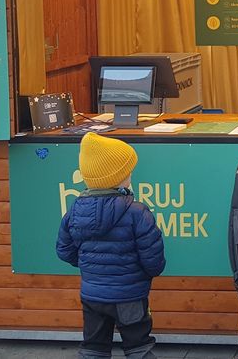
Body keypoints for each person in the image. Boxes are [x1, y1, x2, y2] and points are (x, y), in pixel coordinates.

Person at [56, 133, 165, 359]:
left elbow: (64, 251)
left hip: (93, 296)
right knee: (138, 348)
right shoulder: (137, 212)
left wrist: (90, 265)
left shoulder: (74, 212)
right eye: (128, 173)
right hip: (131, 295)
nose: (130, 177)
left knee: (93, 348)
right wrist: (142, 275)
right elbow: (153, 260)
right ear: (119, 178)